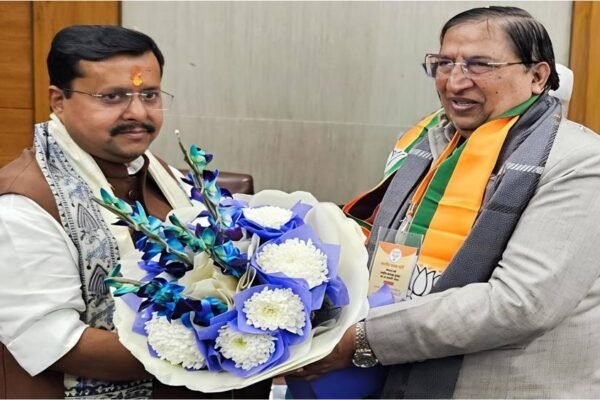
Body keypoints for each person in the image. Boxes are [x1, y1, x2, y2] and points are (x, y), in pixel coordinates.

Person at [292, 6, 600, 398]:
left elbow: (520, 304)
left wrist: (363, 339)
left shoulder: (579, 162)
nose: (454, 82)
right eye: (443, 63)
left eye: (479, 65)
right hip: (399, 374)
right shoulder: (435, 140)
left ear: (537, 76)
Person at [0, 25, 270, 399]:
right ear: (59, 100)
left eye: (149, 94)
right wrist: (219, 345)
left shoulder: (160, 174)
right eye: (112, 97)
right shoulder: (23, 205)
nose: (138, 112)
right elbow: (53, 342)